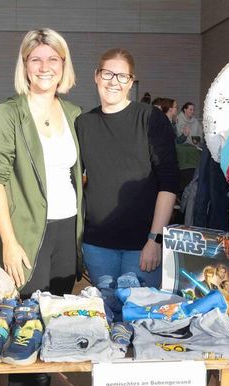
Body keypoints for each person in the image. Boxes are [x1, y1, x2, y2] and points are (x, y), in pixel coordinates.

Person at [0, 27, 81, 386]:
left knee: (53, 321)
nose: (44, 66)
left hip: (65, 232)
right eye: (35, 58)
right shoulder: (9, 113)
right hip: (24, 233)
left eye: (53, 58)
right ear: (24, 65)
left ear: (63, 65)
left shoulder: (72, 113)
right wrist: (8, 242)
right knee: (23, 327)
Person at [76, 48, 179, 289]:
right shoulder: (84, 123)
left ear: (131, 81)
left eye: (122, 76)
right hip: (97, 244)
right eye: (108, 74)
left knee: (138, 319)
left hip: (142, 245)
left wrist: (155, 239)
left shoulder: (150, 118)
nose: (114, 82)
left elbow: (169, 182)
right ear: (96, 76)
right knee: (106, 317)